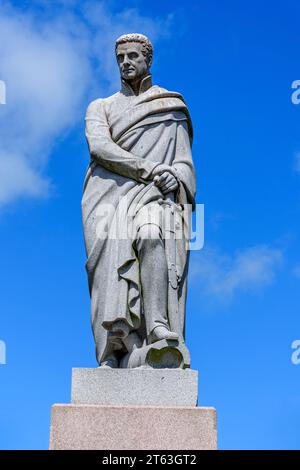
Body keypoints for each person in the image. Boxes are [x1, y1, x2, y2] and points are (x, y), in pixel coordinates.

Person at [82, 33, 196, 367]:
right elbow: (99, 147)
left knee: (151, 234)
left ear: (148, 60)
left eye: (133, 56)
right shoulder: (100, 107)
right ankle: (115, 348)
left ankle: (157, 325)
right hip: (106, 197)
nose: (126, 63)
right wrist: (148, 168)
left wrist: (175, 175)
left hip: (154, 199)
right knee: (107, 272)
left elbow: (184, 163)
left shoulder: (170, 107)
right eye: (120, 58)